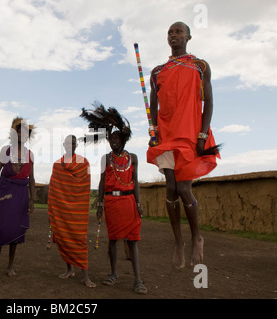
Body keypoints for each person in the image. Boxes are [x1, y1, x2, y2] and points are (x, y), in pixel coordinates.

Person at [147, 21, 221, 268]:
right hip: (166, 136)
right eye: (170, 32)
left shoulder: (200, 66)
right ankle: (178, 242)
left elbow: (208, 103)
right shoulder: (157, 71)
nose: (173, 35)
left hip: (190, 134)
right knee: (170, 187)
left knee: (183, 188)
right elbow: (153, 108)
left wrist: (202, 135)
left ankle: (196, 236)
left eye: (178, 31)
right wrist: (154, 131)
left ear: (189, 36)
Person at [81, 103, 147, 295]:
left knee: (132, 241)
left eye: (117, 138)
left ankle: (138, 279)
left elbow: (135, 182)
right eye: (111, 138)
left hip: (129, 203)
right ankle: (113, 273)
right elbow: (101, 182)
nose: (113, 141)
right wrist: (100, 204)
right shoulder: (106, 158)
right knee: (113, 240)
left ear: (124, 139)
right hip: (111, 203)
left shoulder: (133, 158)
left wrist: (139, 204)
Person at [0, 117, 35, 278]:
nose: (22, 135)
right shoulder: (5, 151)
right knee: (2, 229)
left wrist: (32, 199)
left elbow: (32, 179)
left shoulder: (30, 155)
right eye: (19, 132)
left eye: (25, 133)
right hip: (4, 193)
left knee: (16, 230)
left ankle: (10, 266)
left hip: (21, 196)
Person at [47, 135, 96, 288]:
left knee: (80, 241)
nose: (70, 145)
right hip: (61, 210)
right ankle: (69, 270)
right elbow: (53, 189)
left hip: (77, 210)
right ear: (63, 144)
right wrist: (53, 210)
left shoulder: (83, 163)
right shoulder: (57, 165)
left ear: (76, 145)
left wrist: (77, 202)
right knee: (62, 238)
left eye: (73, 143)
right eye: (68, 143)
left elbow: (85, 186)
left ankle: (85, 276)